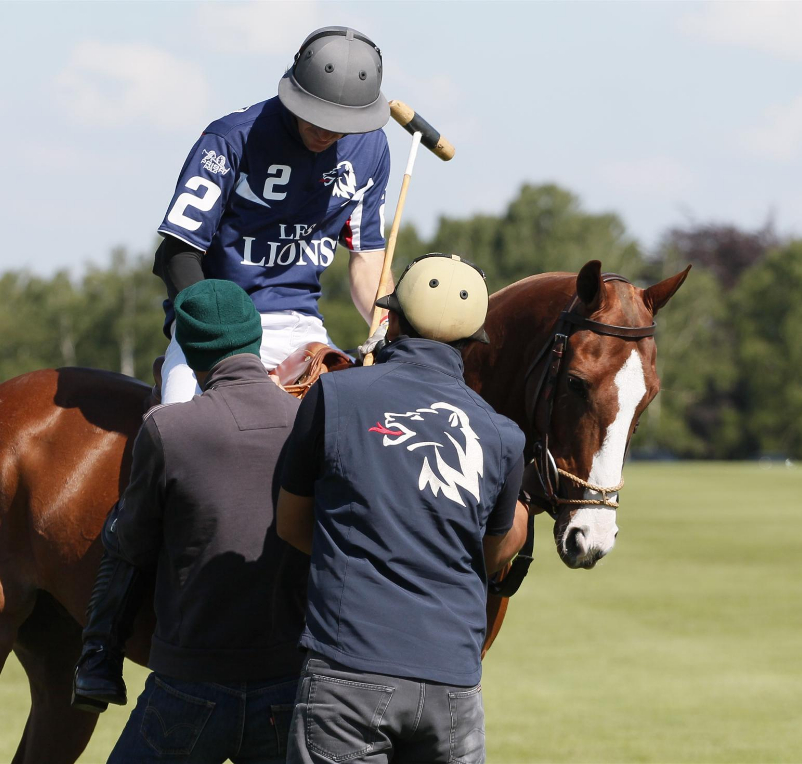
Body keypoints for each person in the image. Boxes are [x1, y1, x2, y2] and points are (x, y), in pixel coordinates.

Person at [275, 254, 530, 764]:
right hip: (453, 685)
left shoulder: (334, 394)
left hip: (347, 675)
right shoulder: (502, 435)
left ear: (390, 319)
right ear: (471, 340)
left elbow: (290, 524)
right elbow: (492, 551)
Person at [72, 279, 308, 764]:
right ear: (255, 337)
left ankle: (98, 659)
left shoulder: (167, 427)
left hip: (189, 687)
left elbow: (133, 545)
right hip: (289, 686)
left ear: (191, 350)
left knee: (122, 530)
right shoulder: (310, 417)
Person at [155, 25, 394, 403]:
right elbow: (177, 252)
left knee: (363, 430)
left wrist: (385, 322)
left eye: (340, 126)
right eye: (316, 118)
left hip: (303, 326)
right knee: (182, 424)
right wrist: (212, 329)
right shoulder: (232, 138)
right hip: (218, 323)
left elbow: (367, 258)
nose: (326, 133)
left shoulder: (371, 148)